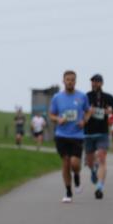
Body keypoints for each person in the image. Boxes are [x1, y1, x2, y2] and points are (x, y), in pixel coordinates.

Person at [49, 70, 89, 203]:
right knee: (66, 162)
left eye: (72, 79)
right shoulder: (57, 97)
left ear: (75, 81)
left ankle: (77, 175)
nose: (70, 82)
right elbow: (51, 114)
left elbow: (88, 111)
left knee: (75, 163)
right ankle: (68, 191)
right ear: (63, 81)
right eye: (68, 79)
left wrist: (84, 121)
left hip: (77, 135)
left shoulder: (82, 96)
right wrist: (58, 119)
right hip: (61, 135)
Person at [83, 74, 113, 199]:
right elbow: (80, 112)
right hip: (88, 133)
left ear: (102, 83)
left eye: (97, 82)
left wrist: (112, 111)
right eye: (93, 82)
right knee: (89, 161)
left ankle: (99, 187)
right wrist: (88, 112)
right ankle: (93, 170)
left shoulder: (108, 97)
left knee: (102, 158)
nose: (95, 84)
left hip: (102, 133)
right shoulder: (86, 97)